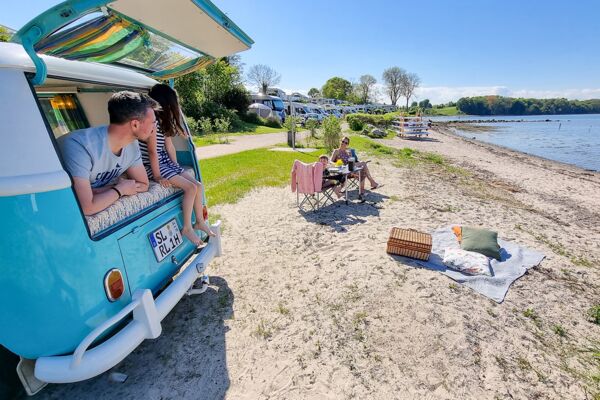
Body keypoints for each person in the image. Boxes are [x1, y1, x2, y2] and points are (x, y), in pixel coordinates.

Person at [140, 83, 215, 247]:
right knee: (191, 188)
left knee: (198, 185)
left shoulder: (163, 121)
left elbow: (170, 147)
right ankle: (187, 227)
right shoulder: (152, 123)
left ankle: (199, 222)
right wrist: (158, 176)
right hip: (152, 165)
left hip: (164, 161)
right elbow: (152, 152)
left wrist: (176, 168)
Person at [59, 91, 156, 216]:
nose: (155, 127)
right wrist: (119, 189)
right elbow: (87, 207)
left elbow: (143, 184)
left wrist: (101, 191)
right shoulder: (80, 146)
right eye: (153, 122)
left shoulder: (132, 145)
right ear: (135, 124)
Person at [331, 136, 380, 200]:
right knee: (363, 164)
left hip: (350, 168)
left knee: (362, 170)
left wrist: (350, 155)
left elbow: (352, 161)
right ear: (340, 141)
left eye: (346, 143)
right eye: (343, 141)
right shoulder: (336, 151)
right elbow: (331, 161)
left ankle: (362, 190)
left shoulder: (348, 151)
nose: (344, 143)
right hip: (344, 170)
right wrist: (337, 164)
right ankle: (371, 183)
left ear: (347, 144)